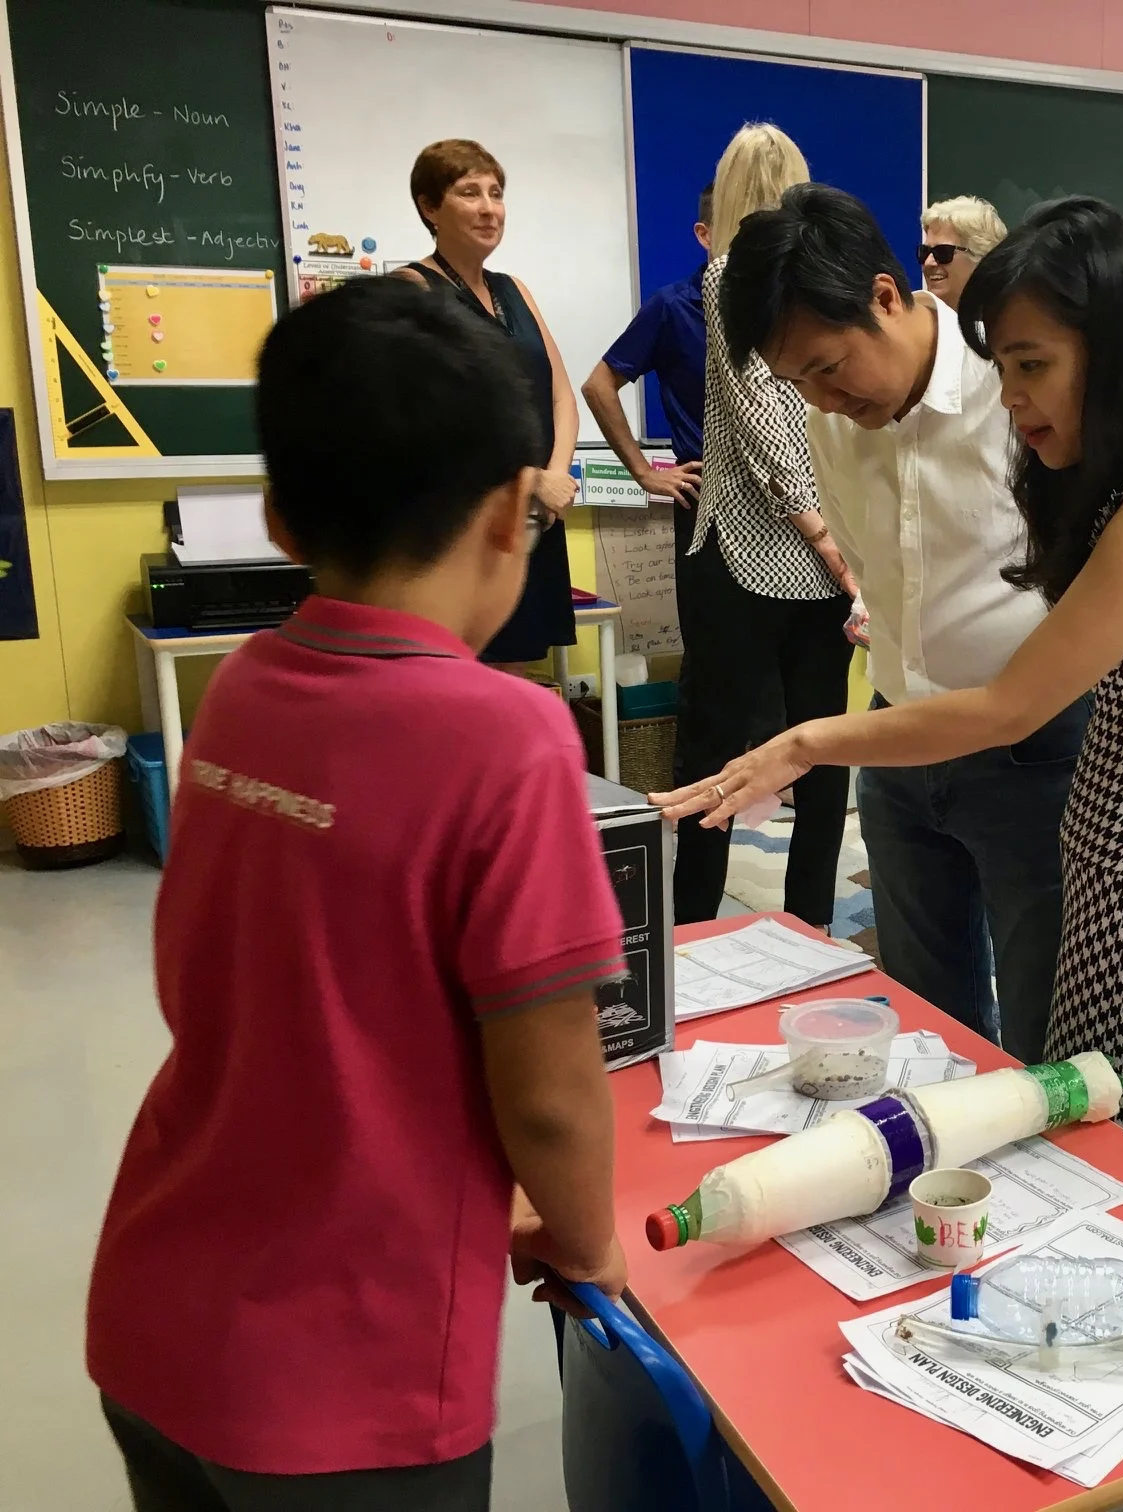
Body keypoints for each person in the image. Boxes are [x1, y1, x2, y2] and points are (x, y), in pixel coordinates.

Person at [657, 196, 1123, 1225]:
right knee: (1027, 1071)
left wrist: (806, 739)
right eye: (1004, 368)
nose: (1012, 398)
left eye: (1032, 364)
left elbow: (1012, 705)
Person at [85, 279, 625, 1506]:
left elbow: (216, 978)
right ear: (512, 512)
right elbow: (549, 1094)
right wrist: (588, 1241)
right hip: (346, 1387)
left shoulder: (240, 688)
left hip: (155, 1317)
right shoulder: (509, 738)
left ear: (279, 519)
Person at [713, 182, 1081, 1063]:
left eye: (828, 367)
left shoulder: (1014, 385)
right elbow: (870, 567)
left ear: (886, 295)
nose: (822, 399)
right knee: (927, 1019)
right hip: (896, 743)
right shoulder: (832, 426)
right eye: (797, 382)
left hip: (1033, 749)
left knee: (1048, 1019)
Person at [673, 124, 855, 928]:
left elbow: (769, 420)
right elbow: (767, 420)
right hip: (802, 551)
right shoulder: (742, 280)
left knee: (739, 748)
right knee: (806, 751)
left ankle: (713, 925)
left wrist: (826, 535)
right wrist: (829, 535)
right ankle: (776, 925)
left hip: (757, 556)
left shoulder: (733, 275)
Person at [396, 139, 580, 670]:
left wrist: (555, 475)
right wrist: (531, 478)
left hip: (534, 513)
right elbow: (433, 419)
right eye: (468, 192)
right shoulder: (412, 288)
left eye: (496, 194)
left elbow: (561, 394)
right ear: (430, 207)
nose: (488, 208)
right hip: (465, 517)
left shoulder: (514, 289)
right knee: (461, 674)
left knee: (515, 668)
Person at [579, 180, 712, 513]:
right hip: (706, 487)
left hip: (782, 487)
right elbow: (598, 386)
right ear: (705, 234)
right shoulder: (673, 307)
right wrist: (643, 472)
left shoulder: (778, 309)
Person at [918, 195, 1007, 310]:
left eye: (943, 252)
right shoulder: (913, 319)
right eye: (924, 252)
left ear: (981, 257)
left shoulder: (1009, 318)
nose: (928, 262)